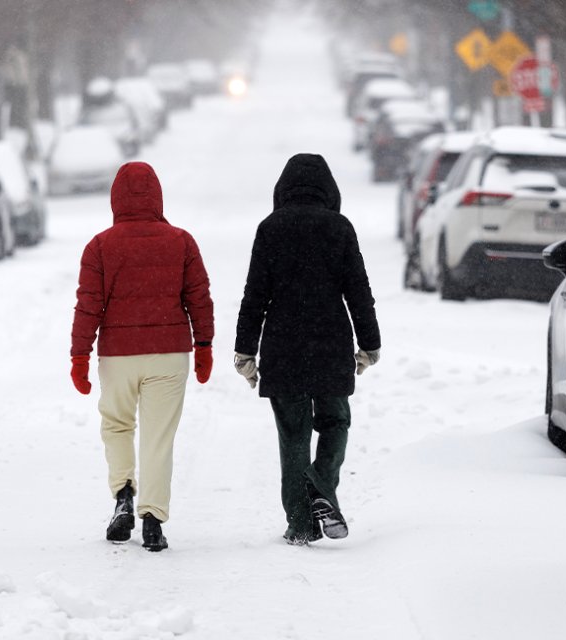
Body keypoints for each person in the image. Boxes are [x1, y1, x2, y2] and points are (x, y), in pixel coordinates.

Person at [234, 153, 381, 546]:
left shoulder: (269, 229)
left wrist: (245, 350)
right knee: (335, 421)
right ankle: (322, 483)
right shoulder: (340, 228)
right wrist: (370, 342)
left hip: (282, 344)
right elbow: (358, 291)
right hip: (330, 340)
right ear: (329, 190)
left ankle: (300, 522)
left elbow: (255, 295)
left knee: (293, 435)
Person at [69, 161, 214, 552]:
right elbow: (199, 300)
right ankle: (152, 519)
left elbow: (88, 307)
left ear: (115, 198)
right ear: (157, 197)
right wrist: (204, 346)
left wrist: (79, 356)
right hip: (169, 355)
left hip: (118, 356)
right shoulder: (181, 242)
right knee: (158, 436)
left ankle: (123, 495)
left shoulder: (99, 247)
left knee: (117, 425)